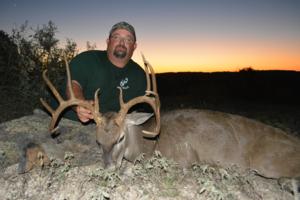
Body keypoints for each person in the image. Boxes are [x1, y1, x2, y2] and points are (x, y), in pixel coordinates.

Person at [62, 21, 147, 122]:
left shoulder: (139, 75)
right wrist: (79, 104)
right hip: (70, 122)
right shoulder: (88, 59)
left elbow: (143, 107)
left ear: (134, 46)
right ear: (108, 41)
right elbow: (73, 84)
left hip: (112, 128)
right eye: (116, 37)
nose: (122, 42)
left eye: (128, 39)